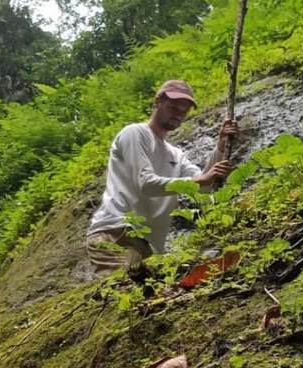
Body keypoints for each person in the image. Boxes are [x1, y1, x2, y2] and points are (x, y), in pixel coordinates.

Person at [86, 79, 237, 277]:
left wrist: (220, 147)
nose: (178, 114)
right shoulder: (135, 134)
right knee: (124, 295)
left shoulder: (175, 155)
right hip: (116, 232)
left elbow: (205, 187)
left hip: (146, 248)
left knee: (151, 301)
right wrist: (201, 180)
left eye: (183, 111)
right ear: (157, 102)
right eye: (173, 106)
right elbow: (146, 183)